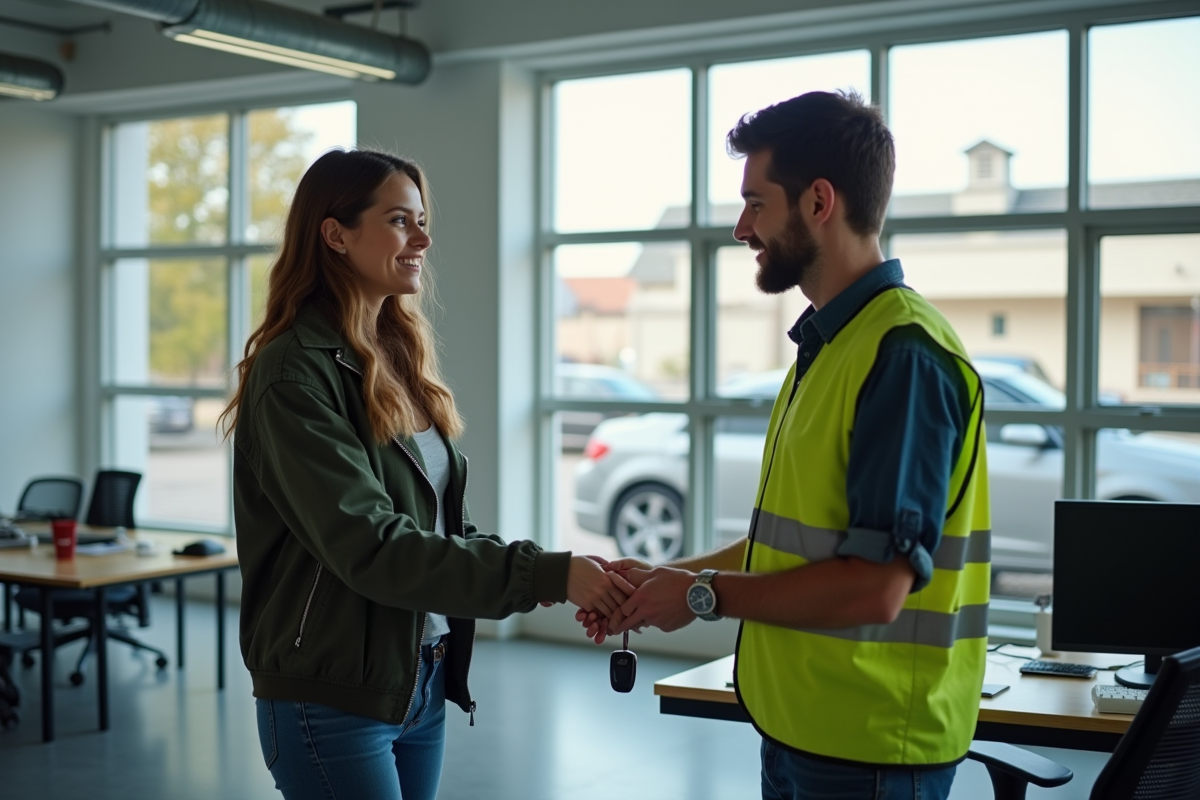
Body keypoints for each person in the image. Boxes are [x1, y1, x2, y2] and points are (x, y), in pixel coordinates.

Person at [581, 91, 990, 800]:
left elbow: (875, 585)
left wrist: (704, 596)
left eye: (756, 203)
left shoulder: (904, 358)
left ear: (819, 202)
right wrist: (667, 582)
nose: (742, 227)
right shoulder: (831, 343)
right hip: (804, 731)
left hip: (871, 750)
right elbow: (798, 547)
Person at [222, 148, 631, 800]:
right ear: (336, 234)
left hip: (423, 674)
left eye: (420, 219)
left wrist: (562, 573)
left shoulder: (395, 360)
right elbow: (371, 547)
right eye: (399, 220)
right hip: (331, 694)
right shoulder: (294, 373)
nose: (423, 238)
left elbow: (443, 529)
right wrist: (547, 574)